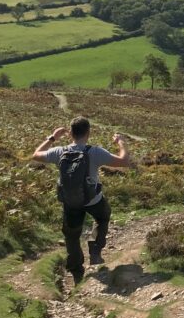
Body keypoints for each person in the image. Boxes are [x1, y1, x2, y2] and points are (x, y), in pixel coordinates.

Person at [32, 116, 131, 284]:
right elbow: (124, 161)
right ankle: (95, 250)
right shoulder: (95, 152)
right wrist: (120, 142)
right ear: (88, 133)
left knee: (71, 236)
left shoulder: (59, 151)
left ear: (70, 133)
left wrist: (52, 137)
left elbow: (35, 155)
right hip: (93, 199)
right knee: (103, 216)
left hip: (70, 201)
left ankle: (77, 273)